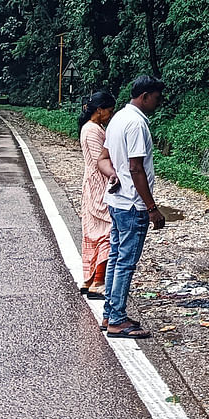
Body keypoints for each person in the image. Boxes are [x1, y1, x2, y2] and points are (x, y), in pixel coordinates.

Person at [102, 75, 167, 339]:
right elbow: (136, 167)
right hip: (132, 204)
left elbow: (103, 158)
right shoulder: (137, 124)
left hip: (117, 200)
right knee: (126, 262)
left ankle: (110, 312)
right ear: (145, 96)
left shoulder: (117, 118)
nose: (158, 102)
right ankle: (117, 319)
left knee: (116, 257)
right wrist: (151, 207)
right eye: (156, 97)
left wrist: (111, 174)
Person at [78, 90, 117, 298]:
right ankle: (98, 280)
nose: (110, 115)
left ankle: (90, 278)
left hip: (94, 183)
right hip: (98, 184)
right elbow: (98, 160)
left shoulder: (93, 128)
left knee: (95, 230)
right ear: (99, 110)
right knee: (107, 229)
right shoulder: (92, 130)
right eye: (109, 111)